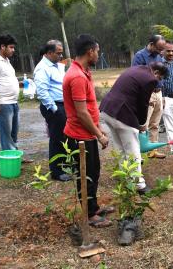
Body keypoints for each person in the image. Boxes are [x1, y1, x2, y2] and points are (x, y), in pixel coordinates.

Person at [63, 34, 111, 228]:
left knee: (94, 172)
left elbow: (89, 109)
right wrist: (99, 135)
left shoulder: (83, 72)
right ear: (90, 51)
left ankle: (93, 207)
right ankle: (89, 215)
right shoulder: (76, 77)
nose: (98, 54)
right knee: (86, 176)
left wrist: (98, 130)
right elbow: (82, 113)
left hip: (87, 133)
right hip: (80, 136)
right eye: (97, 51)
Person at [100, 62, 168, 194]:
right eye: (160, 78)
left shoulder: (136, 69)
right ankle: (139, 185)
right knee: (133, 150)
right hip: (121, 113)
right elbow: (143, 104)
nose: (158, 81)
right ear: (157, 73)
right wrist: (142, 125)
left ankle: (125, 178)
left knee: (120, 148)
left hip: (107, 110)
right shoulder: (151, 79)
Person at [0, 35, 33, 163]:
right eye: (11, 47)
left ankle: (15, 156)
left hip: (13, 102)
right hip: (3, 103)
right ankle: (11, 161)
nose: (13, 50)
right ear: (2, 47)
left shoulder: (6, 61)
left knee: (13, 133)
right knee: (6, 135)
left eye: (13, 47)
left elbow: (5, 81)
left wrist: (20, 84)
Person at [34, 40, 70, 181]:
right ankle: (56, 171)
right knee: (57, 138)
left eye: (61, 53)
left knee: (65, 137)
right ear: (49, 53)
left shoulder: (56, 65)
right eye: (58, 53)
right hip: (54, 107)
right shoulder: (42, 68)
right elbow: (42, 92)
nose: (61, 56)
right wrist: (55, 109)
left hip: (62, 104)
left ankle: (66, 165)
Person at [132, 34, 166, 159]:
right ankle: (138, 152)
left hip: (158, 92)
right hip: (147, 93)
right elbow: (136, 76)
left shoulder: (159, 56)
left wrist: (162, 95)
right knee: (142, 124)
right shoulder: (139, 56)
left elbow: (162, 75)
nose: (160, 52)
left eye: (162, 49)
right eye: (158, 48)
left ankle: (153, 150)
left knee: (155, 123)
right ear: (151, 44)